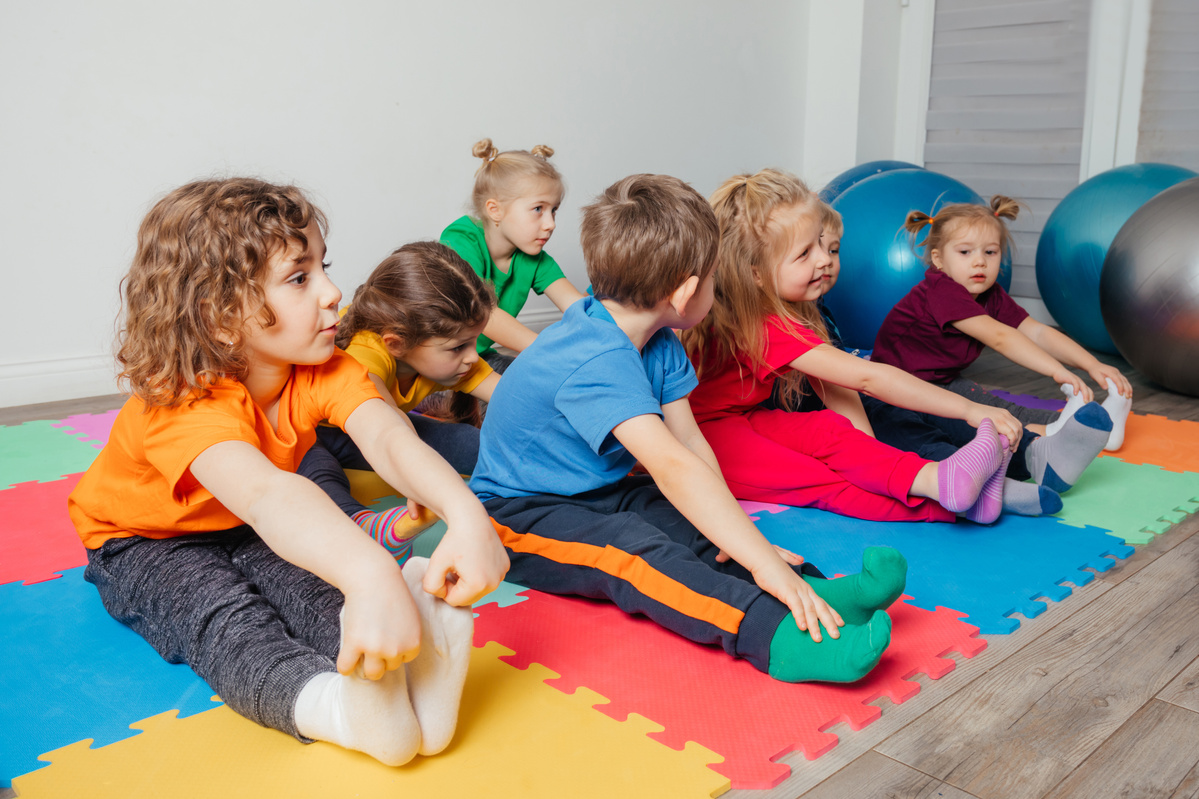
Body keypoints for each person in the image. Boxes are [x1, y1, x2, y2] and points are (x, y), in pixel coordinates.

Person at [67, 179, 508, 766]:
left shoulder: (323, 367)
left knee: (322, 595)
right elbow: (266, 493)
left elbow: (388, 437)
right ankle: (336, 708)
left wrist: (465, 516)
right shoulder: (183, 400)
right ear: (221, 317)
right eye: (300, 278)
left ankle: (406, 677)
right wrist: (373, 572)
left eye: (324, 267)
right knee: (225, 619)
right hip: (145, 541)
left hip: (244, 523)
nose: (333, 293)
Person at [472, 173, 905, 685]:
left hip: (601, 488)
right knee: (634, 555)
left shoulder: (658, 339)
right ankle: (773, 636)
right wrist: (759, 560)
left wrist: (749, 547)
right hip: (519, 516)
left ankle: (815, 594)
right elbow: (672, 465)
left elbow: (690, 442)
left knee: (694, 527)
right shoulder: (594, 359)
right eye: (716, 281)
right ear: (685, 293)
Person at [684, 168, 1023, 524]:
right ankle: (948, 505)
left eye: (823, 243)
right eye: (804, 254)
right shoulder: (760, 325)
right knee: (821, 482)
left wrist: (874, 460)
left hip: (745, 418)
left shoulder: (778, 312)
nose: (823, 259)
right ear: (755, 273)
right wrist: (969, 410)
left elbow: (838, 389)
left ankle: (944, 483)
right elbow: (868, 379)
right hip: (702, 439)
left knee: (828, 431)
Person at [795, 203, 1063, 515]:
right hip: (831, 414)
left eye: (833, 250)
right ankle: (977, 483)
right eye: (806, 252)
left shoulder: (815, 307)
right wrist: (871, 454)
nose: (825, 261)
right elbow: (844, 388)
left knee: (934, 409)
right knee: (901, 422)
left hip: (869, 386)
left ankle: (1026, 455)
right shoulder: (788, 323)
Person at [871, 196, 1132, 487]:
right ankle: (1052, 439)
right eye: (965, 252)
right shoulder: (941, 291)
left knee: (999, 407)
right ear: (939, 260)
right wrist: (1057, 370)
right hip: (898, 391)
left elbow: (1036, 331)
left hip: (940, 380)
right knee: (973, 422)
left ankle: (1088, 427)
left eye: (990, 252)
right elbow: (1000, 337)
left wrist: (1091, 364)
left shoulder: (989, 293)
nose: (979, 261)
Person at [297, 241, 498, 561]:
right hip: (314, 431)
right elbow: (386, 423)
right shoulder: (366, 352)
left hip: (370, 430)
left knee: (468, 442)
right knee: (316, 474)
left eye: (473, 342)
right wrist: (419, 484)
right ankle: (361, 526)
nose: (473, 356)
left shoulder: (443, 351)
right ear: (397, 344)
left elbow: (511, 397)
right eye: (459, 347)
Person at [440, 138, 588, 372]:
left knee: (545, 382)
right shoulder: (461, 240)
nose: (551, 224)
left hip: (477, 360)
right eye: (538, 209)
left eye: (554, 210)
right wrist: (547, 349)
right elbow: (481, 313)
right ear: (495, 210)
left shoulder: (535, 259)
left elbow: (579, 307)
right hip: (428, 367)